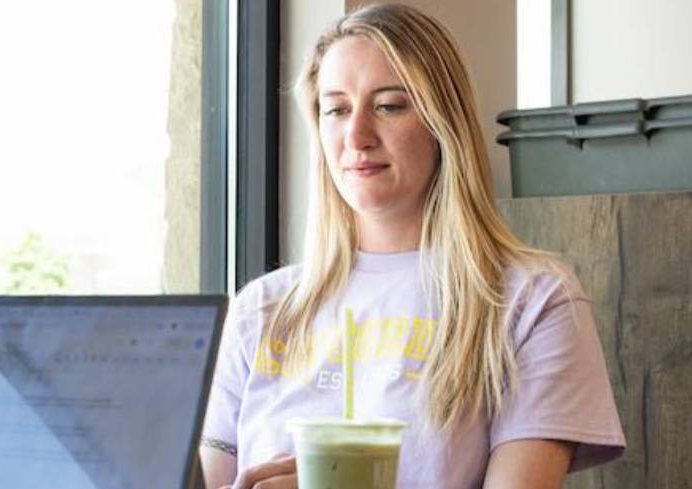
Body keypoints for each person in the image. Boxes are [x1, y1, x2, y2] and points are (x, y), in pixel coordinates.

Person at [199, 4, 625, 489]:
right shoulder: (261, 309)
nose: (356, 136)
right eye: (336, 109)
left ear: (443, 121)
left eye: (389, 105)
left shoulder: (532, 302)